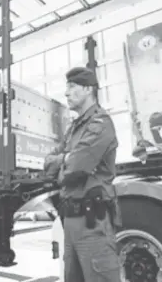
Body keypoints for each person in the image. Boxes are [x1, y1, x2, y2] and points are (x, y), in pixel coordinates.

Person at [44, 67, 121, 282]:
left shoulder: (100, 123)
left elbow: (74, 170)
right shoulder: (74, 128)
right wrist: (66, 160)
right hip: (70, 221)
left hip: (91, 223)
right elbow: (48, 163)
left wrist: (65, 162)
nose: (66, 93)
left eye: (71, 87)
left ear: (88, 89)